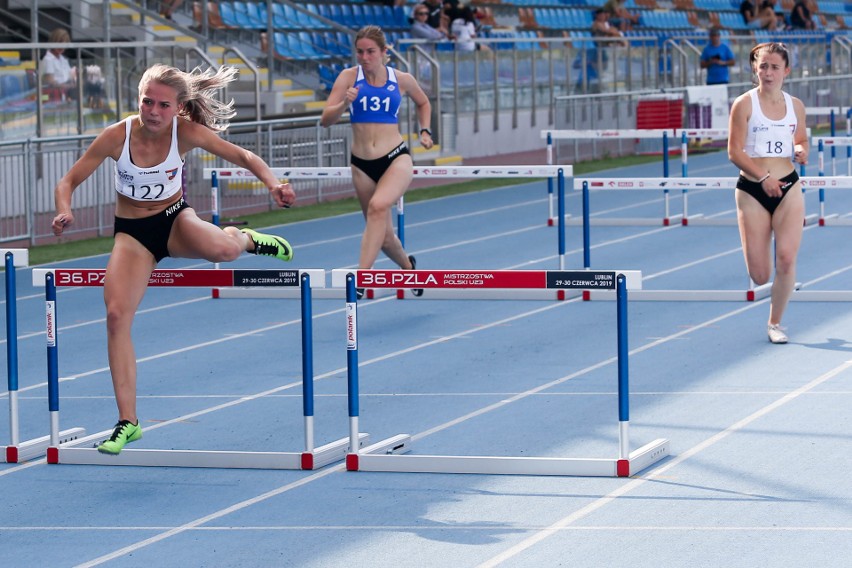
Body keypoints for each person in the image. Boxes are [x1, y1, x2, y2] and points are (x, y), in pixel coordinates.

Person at [51, 63, 296, 454]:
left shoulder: (187, 133)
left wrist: (274, 184)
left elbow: (245, 155)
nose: (152, 111)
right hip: (133, 235)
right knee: (116, 317)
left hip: (174, 220)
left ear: (178, 107)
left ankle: (245, 237)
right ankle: (127, 422)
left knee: (225, 251)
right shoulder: (118, 135)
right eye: (147, 101)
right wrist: (65, 209)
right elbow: (68, 180)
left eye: (163, 105)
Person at [320, 25, 433, 298]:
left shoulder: (401, 79)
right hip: (361, 163)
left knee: (378, 206)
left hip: (395, 157)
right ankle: (409, 269)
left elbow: (423, 102)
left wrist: (425, 130)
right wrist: (344, 104)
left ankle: (360, 278)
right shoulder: (348, 78)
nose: (364, 57)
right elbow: (325, 120)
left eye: (371, 51)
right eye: (360, 52)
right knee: (383, 237)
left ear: (384, 52)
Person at [727, 42, 808, 344]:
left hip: (788, 186)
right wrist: (762, 178)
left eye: (774, 67)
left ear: (786, 71)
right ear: (754, 69)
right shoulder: (744, 104)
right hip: (752, 189)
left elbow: (800, 139)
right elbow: (734, 152)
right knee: (760, 275)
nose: (768, 72)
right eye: (763, 66)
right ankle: (760, 236)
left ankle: (775, 323)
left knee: (786, 259)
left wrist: (801, 150)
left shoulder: (796, 106)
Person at [41, 27, 76, 102]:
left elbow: (70, 76)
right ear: (53, 42)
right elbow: (51, 83)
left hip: (65, 92)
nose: (62, 46)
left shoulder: (63, 59)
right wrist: (69, 86)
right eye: (59, 42)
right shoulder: (48, 59)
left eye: (64, 43)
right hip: (52, 95)